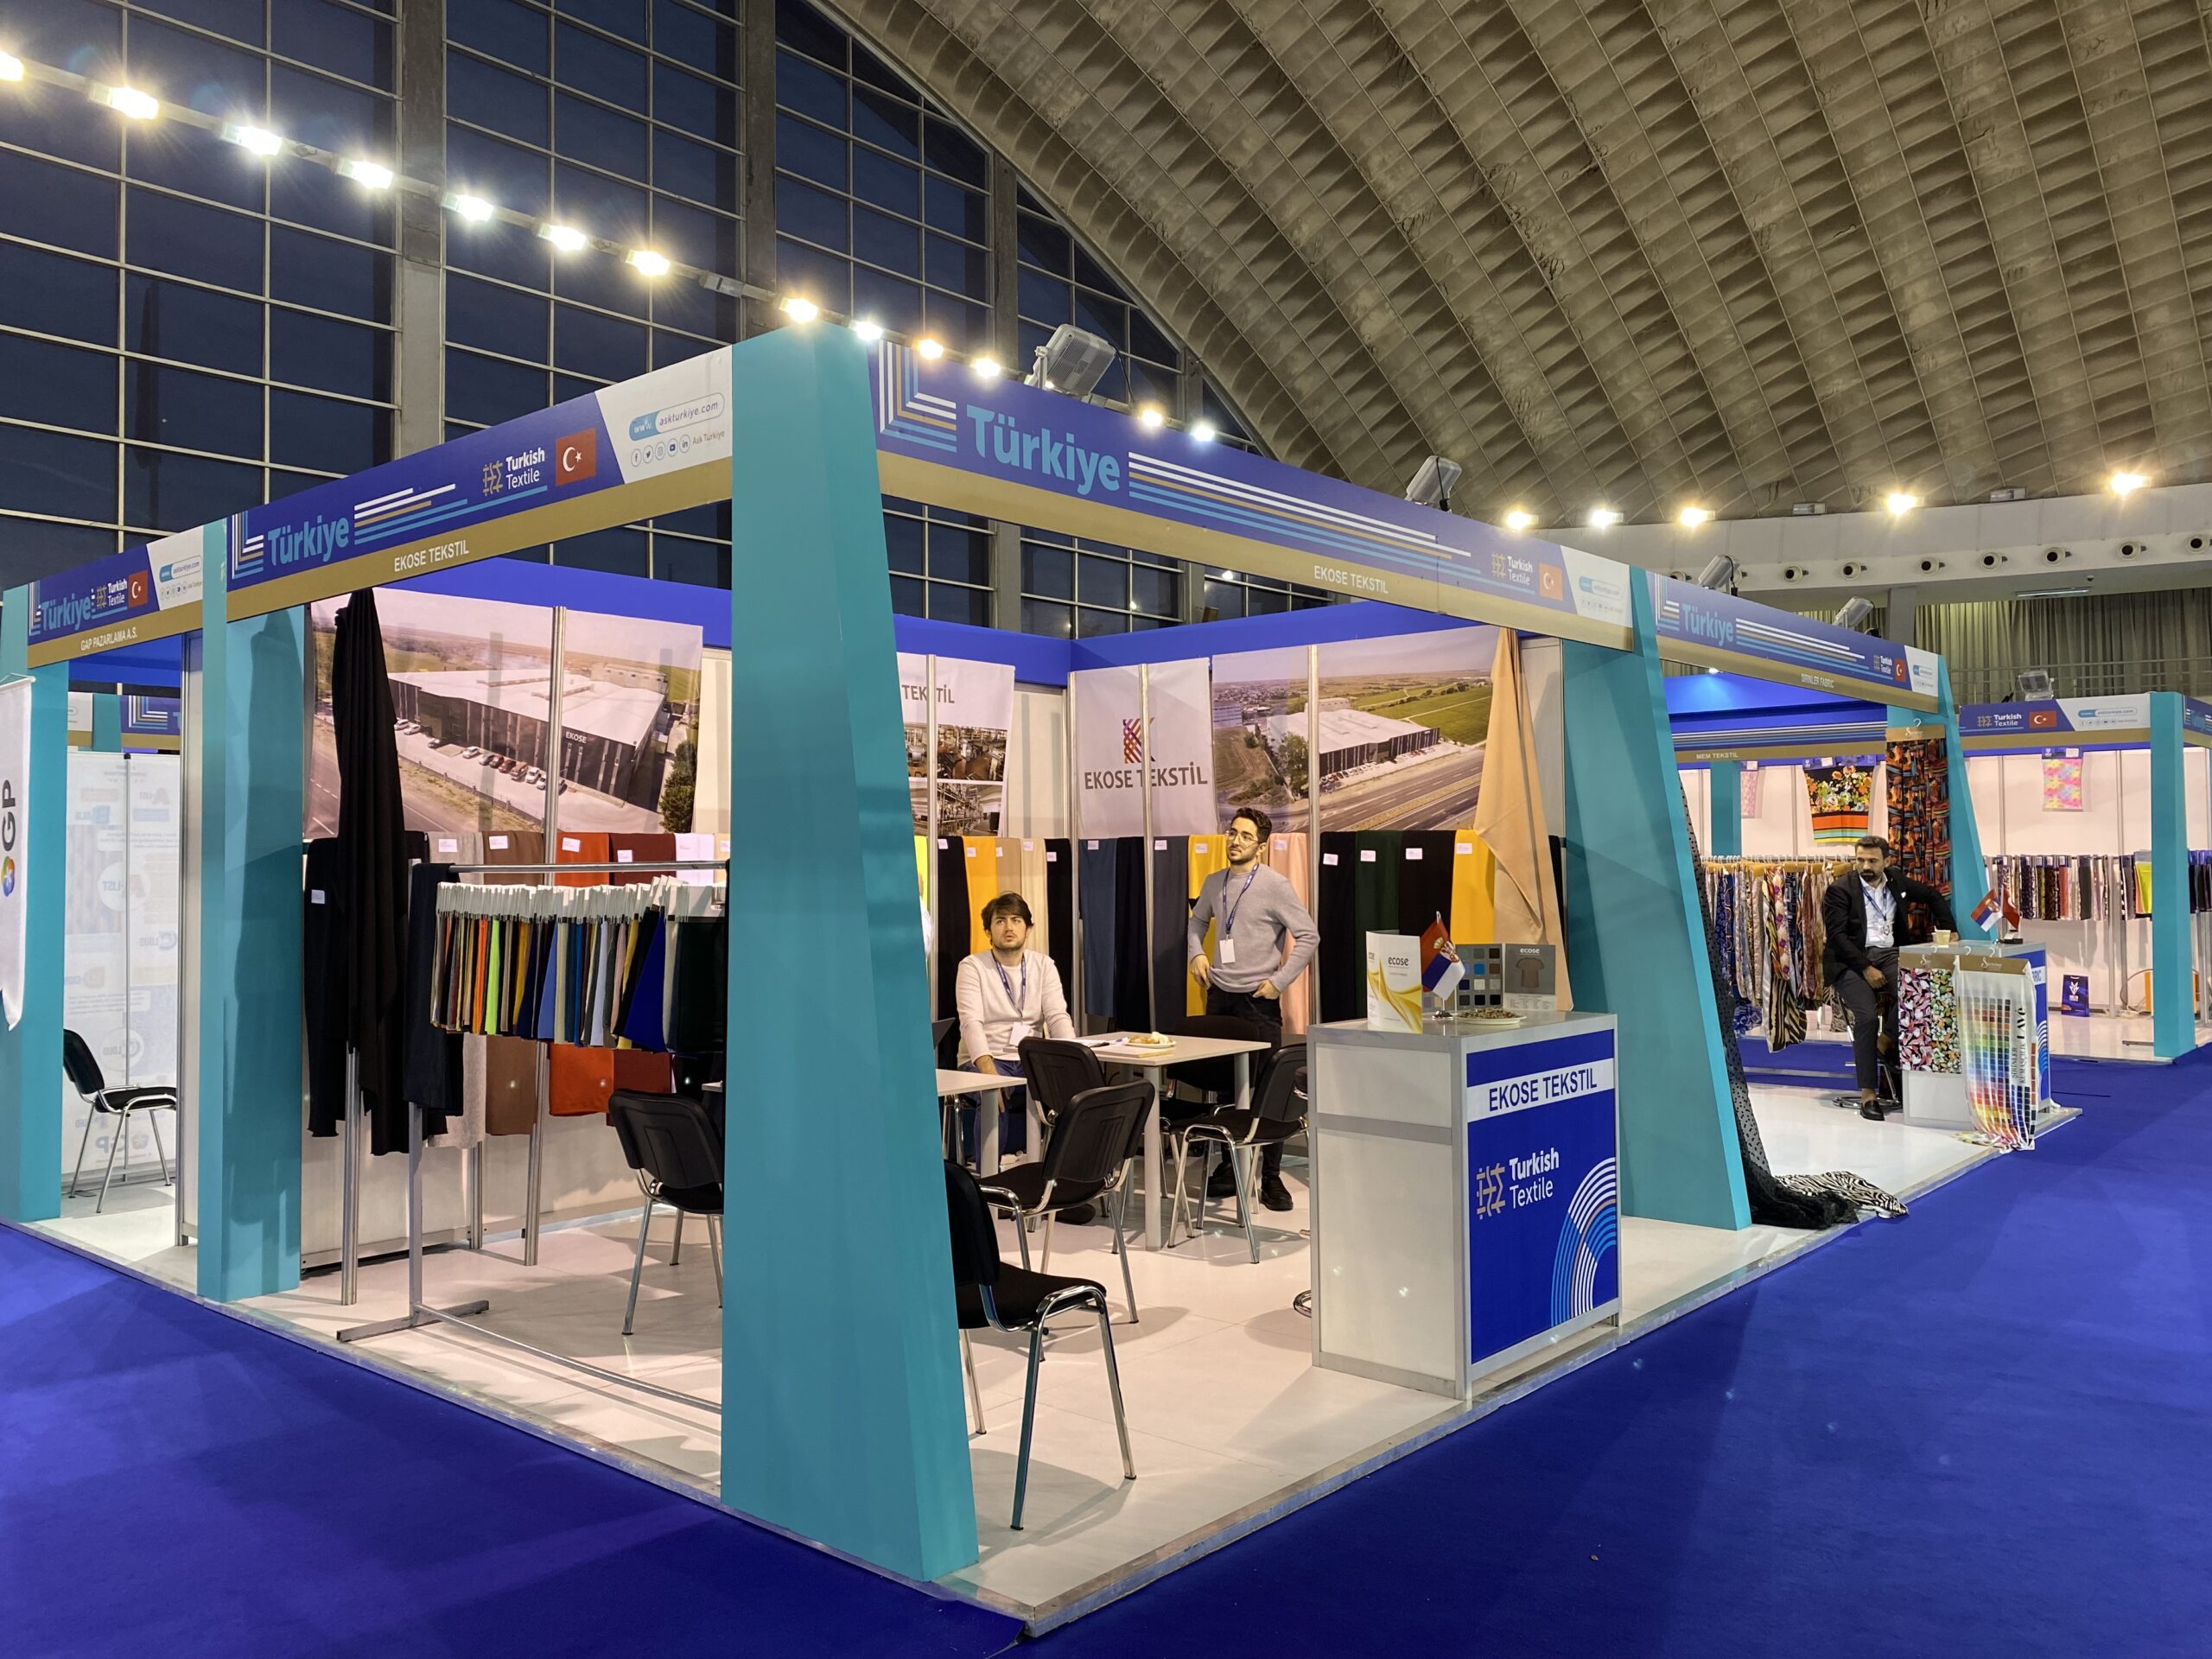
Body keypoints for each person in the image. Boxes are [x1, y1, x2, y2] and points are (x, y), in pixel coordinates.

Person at [1187, 807, 1319, 1211]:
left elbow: (1309, 935)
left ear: (1260, 846)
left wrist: (1279, 982)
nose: (1236, 841)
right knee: (1228, 1086)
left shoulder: (1275, 885)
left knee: (1269, 1089)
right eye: (1233, 832)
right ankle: (1231, 1167)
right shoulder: (1214, 882)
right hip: (1220, 998)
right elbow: (1197, 922)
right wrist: (1196, 954)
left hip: (1257, 1002)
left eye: (1246, 836)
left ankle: (1271, 1176)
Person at [1821, 834, 1955, 1122]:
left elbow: (1932, 895)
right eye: (1860, 860)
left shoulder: (1896, 881)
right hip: (1850, 960)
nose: (1865, 866)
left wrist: (1951, 929)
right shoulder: (1839, 890)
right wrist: (1866, 968)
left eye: (1872, 861)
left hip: (1890, 954)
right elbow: (1837, 937)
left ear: (1887, 861)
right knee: (1867, 1017)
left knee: (1921, 993)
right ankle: (1868, 1094)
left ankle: (1886, 1041)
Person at [954, 892, 1075, 1159]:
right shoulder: (972, 966)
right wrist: (988, 1069)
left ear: (1028, 928)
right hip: (985, 1058)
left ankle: (1054, 1172)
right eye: (1000, 921)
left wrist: (1072, 1058)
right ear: (989, 931)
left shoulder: (1044, 965)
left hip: (1031, 1058)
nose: (1008, 927)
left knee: (1077, 1092)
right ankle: (988, 1174)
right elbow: (971, 1022)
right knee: (992, 1093)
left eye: (1016, 920)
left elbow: (1057, 1016)